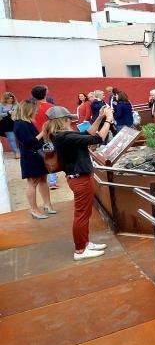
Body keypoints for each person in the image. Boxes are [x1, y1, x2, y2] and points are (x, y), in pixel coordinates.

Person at [44, 105, 113, 261]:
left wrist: (100, 117)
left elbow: (87, 133)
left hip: (79, 176)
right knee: (81, 215)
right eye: (69, 119)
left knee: (85, 213)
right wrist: (109, 119)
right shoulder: (65, 137)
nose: (71, 121)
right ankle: (80, 250)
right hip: (79, 178)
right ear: (64, 120)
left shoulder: (62, 135)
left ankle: (85, 243)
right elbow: (97, 138)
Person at [12, 98, 54, 219]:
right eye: (35, 110)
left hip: (37, 155)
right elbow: (30, 142)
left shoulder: (26, 122)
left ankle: (47, 204)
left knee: (43, 179)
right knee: (32, 182)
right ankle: (34, 210)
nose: (36, 112)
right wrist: (43, 131)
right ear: (28, 110)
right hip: (30, 156)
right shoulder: (20, 124)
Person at [31, 85, 59, 189]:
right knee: (51, 157)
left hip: (35, 136)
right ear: (46, 93)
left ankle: (44, 178)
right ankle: (52, 181)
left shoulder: (31, 107)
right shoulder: (51, 107)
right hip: (49, 135)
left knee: (42, 157)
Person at [0, 91, 20, 159]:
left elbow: (21, 113)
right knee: (12, 139)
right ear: (5, 99)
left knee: (20, 138)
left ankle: (23, 151)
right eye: (8, 98)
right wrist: (8, 112)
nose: (10, 99)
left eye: (11, 98)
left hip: (17, 123)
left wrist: (16, 113)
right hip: (6, 124)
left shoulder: (17, 104)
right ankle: (16, 153)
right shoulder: (1, 105)